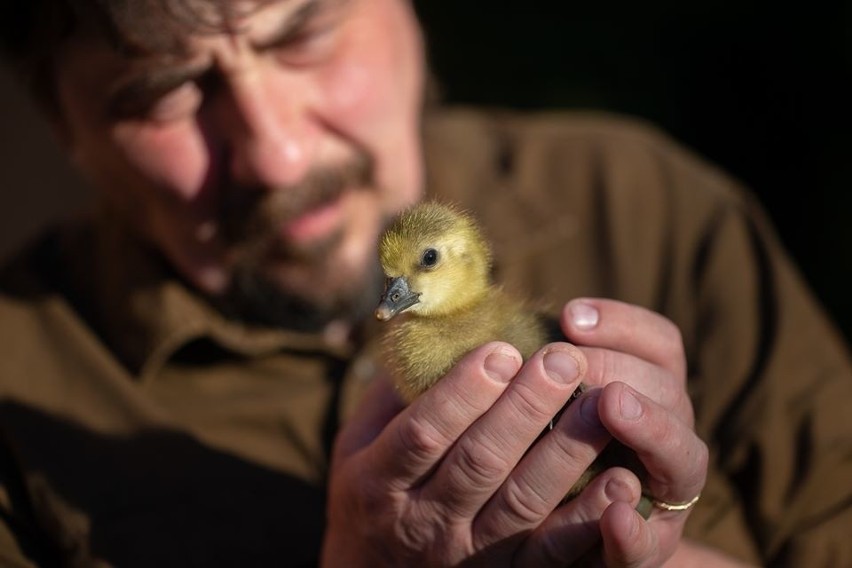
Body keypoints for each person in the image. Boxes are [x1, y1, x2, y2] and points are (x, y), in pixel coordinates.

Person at [0, 0, 849, 566]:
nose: (278, 154)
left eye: (302, 35)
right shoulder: (18, 392)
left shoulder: (651, 205)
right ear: (62, 128)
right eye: (165, 91)